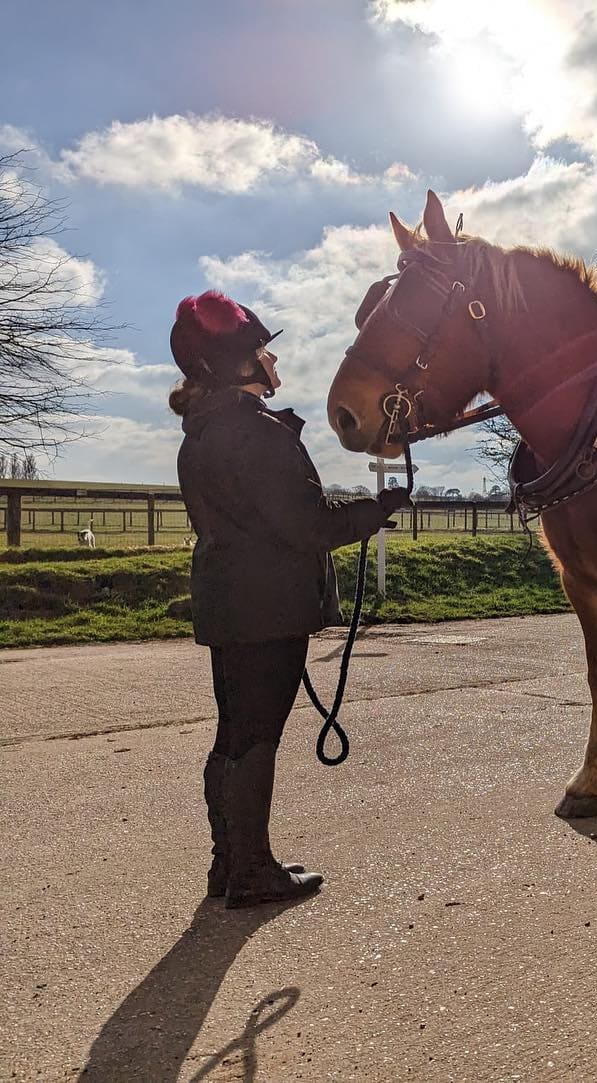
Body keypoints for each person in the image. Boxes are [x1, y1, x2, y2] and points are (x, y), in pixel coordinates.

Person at [169, 290, 410, 908]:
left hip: (229, 599)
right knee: (257, 737)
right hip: (267, 605)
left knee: (234, 732)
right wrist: (374, 511)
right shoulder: (256, 435)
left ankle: (230, 863)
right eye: (262, 352)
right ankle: (251, 872)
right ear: (240, 367)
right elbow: (307, 525)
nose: (273, 360)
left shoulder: (204, 433)